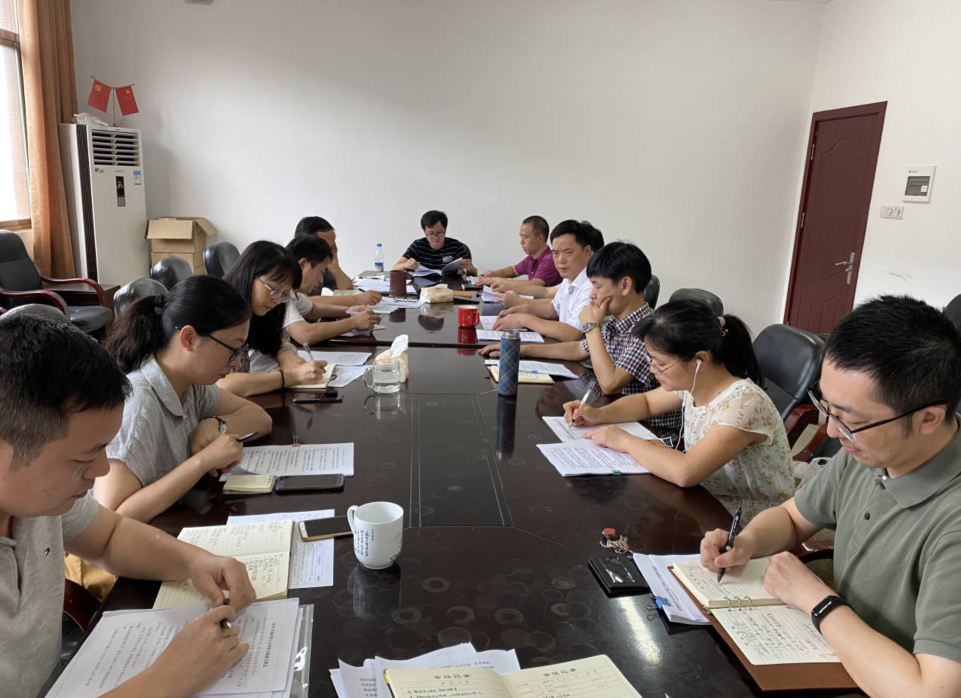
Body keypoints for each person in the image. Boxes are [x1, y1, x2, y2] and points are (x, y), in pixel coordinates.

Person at [698, 296, 961, 697]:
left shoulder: (952, 521)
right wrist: (746, 541)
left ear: (928, 418)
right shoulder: (873, 451)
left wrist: (818, 602)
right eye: (827, 408)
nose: (833, 433)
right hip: (837, 655)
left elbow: (932, 692)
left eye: (849, 419)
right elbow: (792, 518)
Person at [0, 315, 256, 698]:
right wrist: (164, 682)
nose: (102, 469)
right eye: (83, 458)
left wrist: (196, 561)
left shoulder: (37, 499)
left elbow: (110, 536)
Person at [564, 299, 794, 521]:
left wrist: (624, 441)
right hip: (704, 497)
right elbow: (646, 402)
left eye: (661, 363)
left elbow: (685, 472)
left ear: (699, 361)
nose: (653, 369)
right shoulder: (695, 382)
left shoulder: (744, 404)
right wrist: (598, 414)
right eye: (650, 359)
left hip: (748, 520)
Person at [92, 276, 273, 524]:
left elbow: (260, 419)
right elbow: (112, 516)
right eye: (233, 349)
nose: (236, 362)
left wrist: (215, 425)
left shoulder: (190, 384)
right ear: (189, 338)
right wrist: (203, 461)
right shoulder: (139, 406)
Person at [481, 241, 681, 441]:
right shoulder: (616, 322)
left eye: (597, 286)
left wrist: (592, 327)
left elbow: (610, 384)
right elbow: (577, 349)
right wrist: (520, 349)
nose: (592, 295)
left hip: (649, 431)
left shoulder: (647, 329)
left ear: (625, 285)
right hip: (618, 416)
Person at [219, 241, 328, 397]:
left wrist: (287, 357)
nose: (277, 300)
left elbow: (273, 342)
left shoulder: (253, 311)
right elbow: (222, 385)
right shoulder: (218, 311)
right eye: (274, 290)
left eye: (284, 294)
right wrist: (292, 376)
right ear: (249, 274)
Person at [491, 219, 601, 342]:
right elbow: (554, 309)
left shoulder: (592, 286)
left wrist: (524, 319)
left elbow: (574, 334)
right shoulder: (570, 277)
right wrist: (524, 309)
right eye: (556, 253)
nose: (561, 260)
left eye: (568, 253)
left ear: (587, 252)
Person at [283, 235, 379, 345]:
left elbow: (313, 309)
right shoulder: (282, 294)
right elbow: (306, 335)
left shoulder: (293, 293)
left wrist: (350, 310)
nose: (321, 280)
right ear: (303, 264)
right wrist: (353, 323)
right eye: (321, 272)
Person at [293, 216, 383, 306]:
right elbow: (301, 302)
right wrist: (355, 299)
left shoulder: (322, 266)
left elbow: (347, 291)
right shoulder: (289, 267)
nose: (330, 251)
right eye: (325, 246)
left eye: (332, 247)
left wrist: (334, 267)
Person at [476, 216, 561, 289]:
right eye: (521, 236)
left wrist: (495, 280)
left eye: (525, 237)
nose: (521, 242)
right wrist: (493, 274)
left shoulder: (549, 259)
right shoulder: (531, 258)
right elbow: (513, 270)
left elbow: (535, 285)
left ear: (540, 238)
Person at [392, 210, 478, 276]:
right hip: (423, 288)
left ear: (445, 230)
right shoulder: (418, 245)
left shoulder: (456, 246)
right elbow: (395, 268)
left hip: (451, 288)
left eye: (439, 233)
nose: (435, 237)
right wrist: (406, 265)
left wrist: (471, 268)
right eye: (431, 233)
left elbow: (474, 273)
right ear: (424, 231)